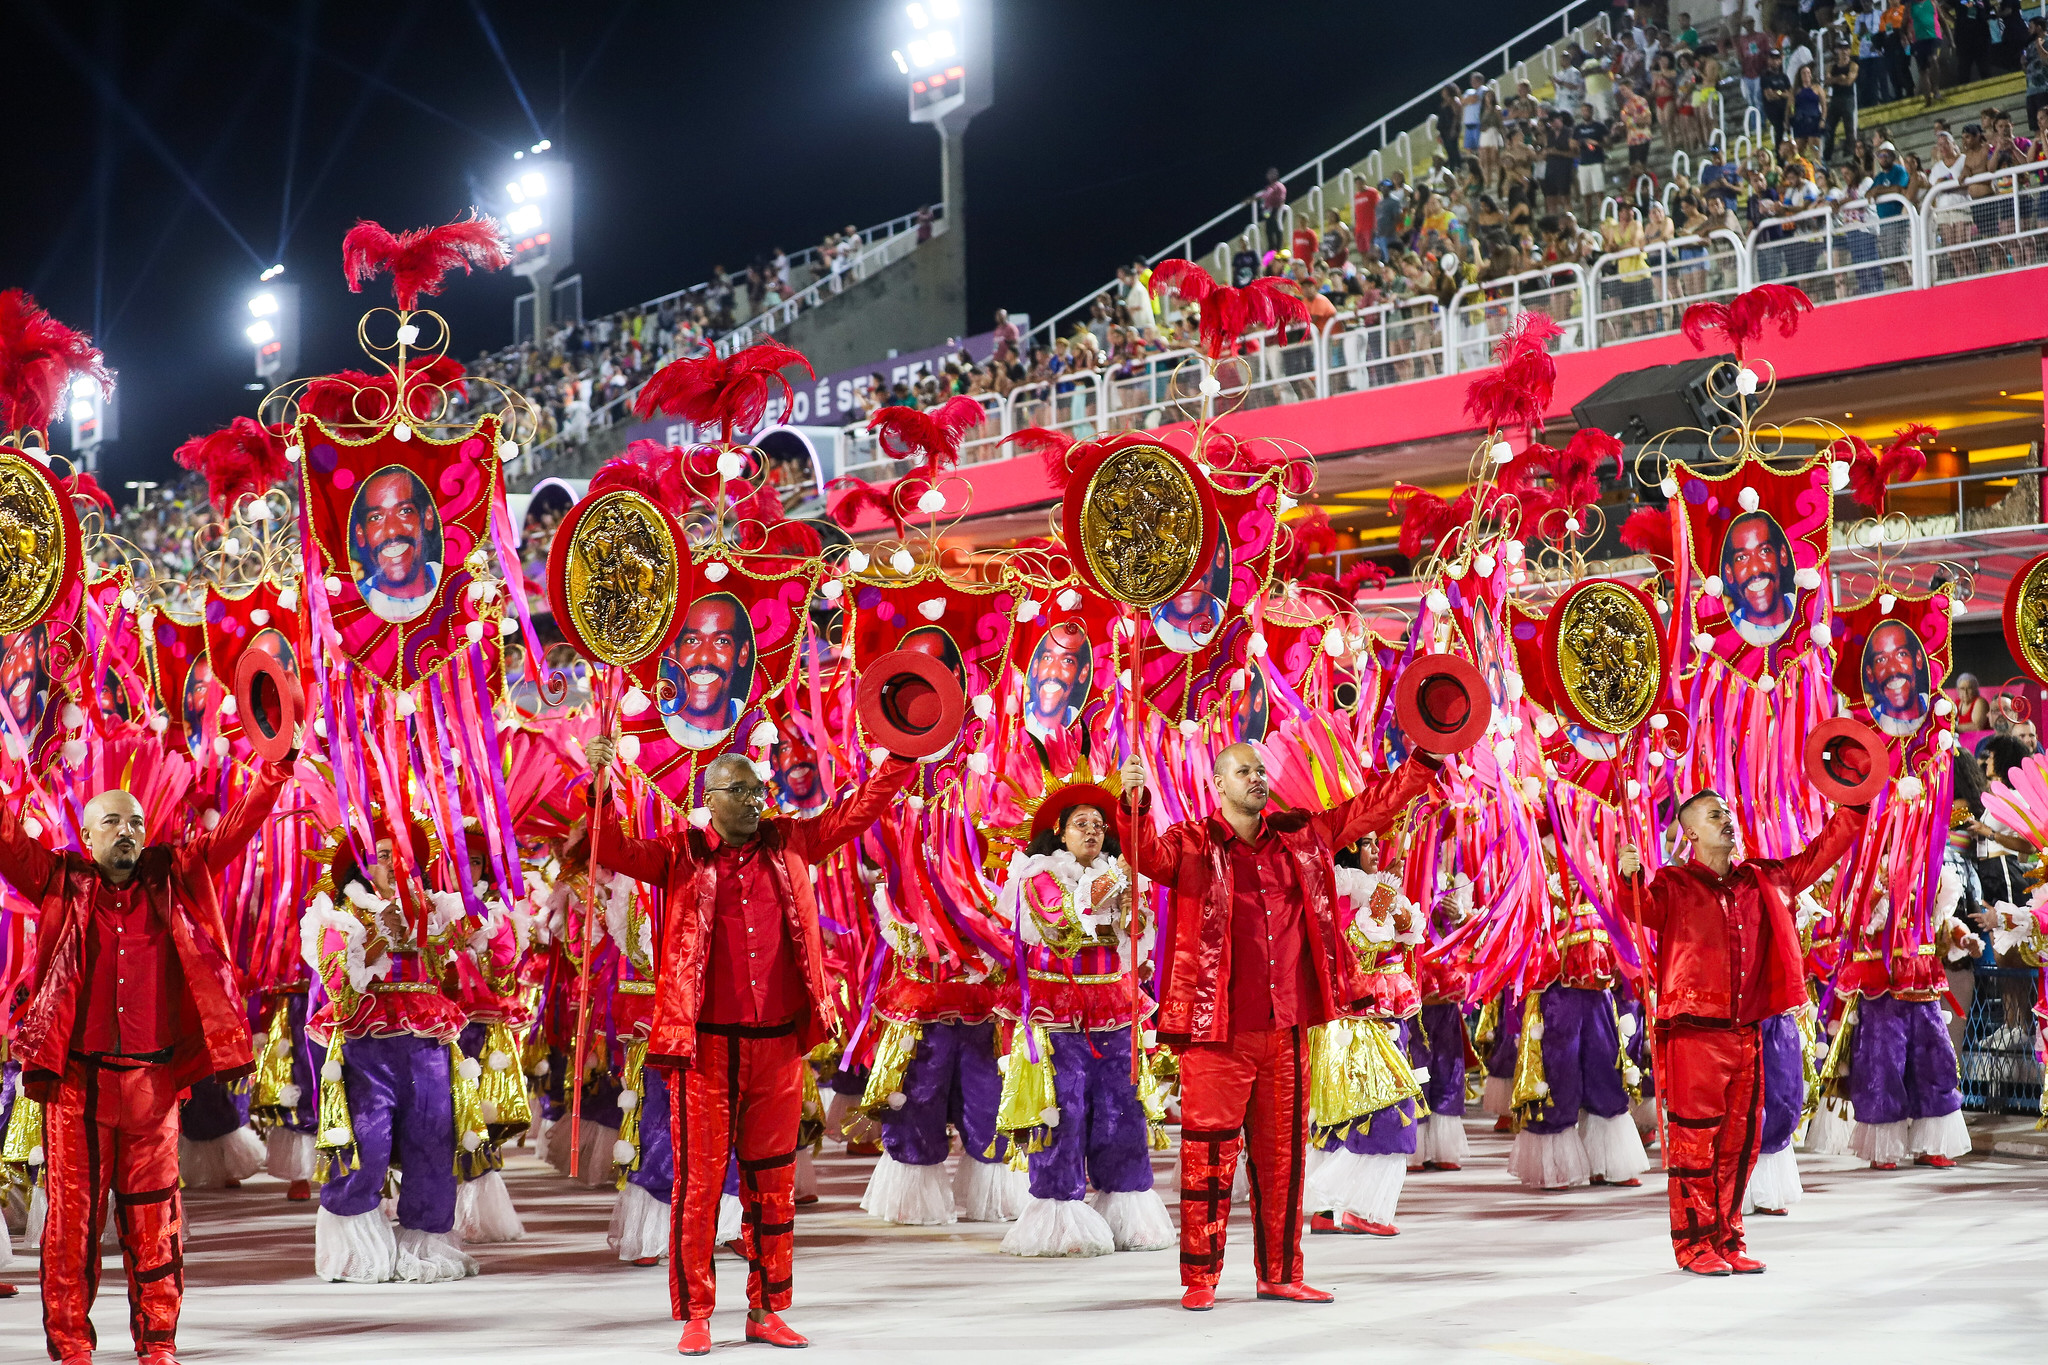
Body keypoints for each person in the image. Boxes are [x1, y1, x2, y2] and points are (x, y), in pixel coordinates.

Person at [582, 734, 918, 1355]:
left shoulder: (791, 841)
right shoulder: (679, 853)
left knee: (773, 1184)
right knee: (700, 1186)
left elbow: (856, 811)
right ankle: (698, 1314)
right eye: (740, 791)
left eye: (759, 789)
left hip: (778, 1048)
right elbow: (613, 848)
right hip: (703, 1050)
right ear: (709, 799)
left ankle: (768, 1308)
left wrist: (900, 757)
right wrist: (600, 791)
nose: (756, 800)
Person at [1118, 740, 1445, 1310]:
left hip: (1288, 1031)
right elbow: (1143, 852)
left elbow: (1369, 809)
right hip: (1216, 1034)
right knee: (1208, 1158)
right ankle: (1200, 1279)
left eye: (1260, 769)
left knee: (1283, 1161)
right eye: (1243, 771)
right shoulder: (1192, 845)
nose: (1258, 778)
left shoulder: (1302, 839)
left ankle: (1280, 1272)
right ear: (1218, 785)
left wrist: (1423, 763)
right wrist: (1134, 803)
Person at [4, 740, 295, 1363]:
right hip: (78, 1089)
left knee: (155, 1223)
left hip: (155, 1088)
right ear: (85, 835)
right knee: (72, 1229)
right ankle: (72, 1345)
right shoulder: (56, 879)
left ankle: (157, 1343)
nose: (128, 832)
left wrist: (274, 770)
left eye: (136, 821)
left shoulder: (175, 875)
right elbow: (4, 835)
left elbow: (238, 826)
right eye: (112, 822)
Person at [1617, 789, 1867, 1276]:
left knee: (1740, 1141)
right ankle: (1693, 1245)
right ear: (1690, 832)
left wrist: (1854, 803)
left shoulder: (1764, 879)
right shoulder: (1674, 884)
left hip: (1747, 1031)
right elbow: (1638, 907)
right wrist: (1624, 870)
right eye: (1714, 816)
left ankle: (1728, 1238)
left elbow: (1822, 853)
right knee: (1694, 1143)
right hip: (1694, 1035)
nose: (1727, 821)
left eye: (1729, 813)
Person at [993, 780, 1174, 1257]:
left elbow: (1137, 940)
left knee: (1123, 1111)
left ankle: (1125, 1209)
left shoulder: (1121, 874)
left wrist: (1133, 910)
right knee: (1062, 1114)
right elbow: (1062, 927)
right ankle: (1060, 1216)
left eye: (1099, 824)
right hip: (1056, 1016)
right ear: (1060, 832)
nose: (1092, 831)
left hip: (1115, 1010)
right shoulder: (1037, 878)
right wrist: (1110, 895)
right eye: (1081, 824)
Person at [304, 827, 480, 1285]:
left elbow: (480, 949)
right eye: (383, 855)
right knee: (368, 1143)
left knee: (431, 1141)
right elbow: (339, 987)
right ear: (364, 864)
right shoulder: (341, 914)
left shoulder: (434, 908)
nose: (393, 864)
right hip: (368, 1044)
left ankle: (424, 1246)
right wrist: (378, 936)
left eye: (400, 855)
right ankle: (356, 1251)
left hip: (425, 1043)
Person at [349, 466, 442, 623]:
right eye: (376, 517)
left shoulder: (459, 588)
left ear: (427, 517)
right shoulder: (353, 615)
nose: (392, 531)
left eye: (405, 511)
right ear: (361, 534)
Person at [1719, 511, 1799, 645]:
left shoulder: (1811, 619)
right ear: (1729, 573)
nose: (1755, 568)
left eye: (1764, 551)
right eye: (1741, 558)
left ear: (1783, 555)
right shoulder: (1725, 643)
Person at [1863, 620, 1932, 736]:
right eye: (1881, 659)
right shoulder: (1867, 729)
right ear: (1870, 673)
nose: (1893, 669)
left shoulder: (1938, 713)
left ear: (1918, 659)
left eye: (1901, 654)